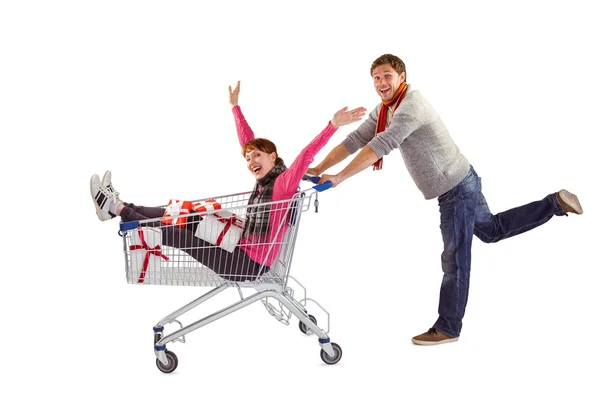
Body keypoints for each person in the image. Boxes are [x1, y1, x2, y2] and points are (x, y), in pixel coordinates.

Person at [307, 54, 583, 345]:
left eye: (387, 75)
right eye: (376, 77)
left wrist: (339, 177)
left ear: (401, 76)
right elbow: (356, 140)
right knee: (492, 231)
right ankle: (555, 203)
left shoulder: (411, 106)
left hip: (455, 189)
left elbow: (382, 144)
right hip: (463, 178)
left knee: (455, 260)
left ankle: (448, 327)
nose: (381, 82)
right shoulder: (386, 109)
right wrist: (320, 168)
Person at [90, 81, 366, 282]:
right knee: (185, 214)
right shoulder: (266, 176)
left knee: (180, 235)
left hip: (246, 264)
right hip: (240, 245)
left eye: (257, 156)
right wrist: (235, 107)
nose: (250, 161)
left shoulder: (283, 182)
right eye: (248, 159)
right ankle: (122, 204)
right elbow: (247, 141)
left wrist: (332, 124)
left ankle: (115, 209)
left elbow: (306, 156)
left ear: (273, 157)